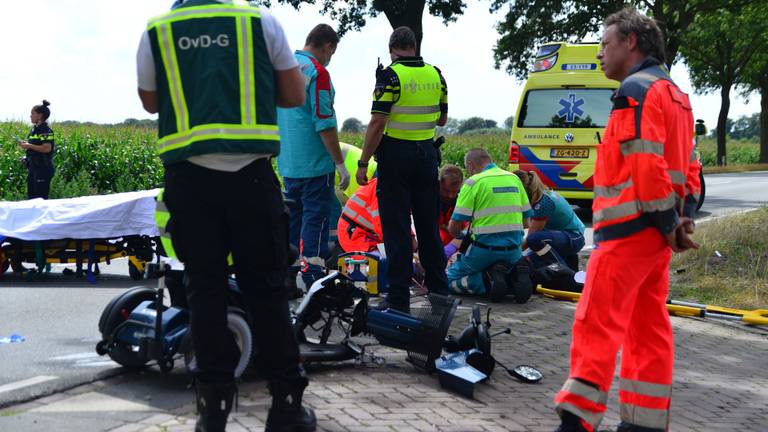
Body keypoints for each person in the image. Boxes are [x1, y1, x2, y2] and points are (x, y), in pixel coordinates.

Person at [136, 1, 316, 431]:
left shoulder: (157, 30)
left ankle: (212, 409)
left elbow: (149, 101)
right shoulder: (259, 21)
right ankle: (286, 404)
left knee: (205, 292)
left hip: (190, 181)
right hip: (251, 178)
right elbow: (293, 94)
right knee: (267, 291)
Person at [553, 8, 701, 432]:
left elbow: (643, 160)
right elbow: (691, 164)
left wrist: (664, 219)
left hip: (627, 234)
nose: (600, 53)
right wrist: (680, 221)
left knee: (595, 323)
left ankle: (576, 420)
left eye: (605, 43)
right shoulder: (677, 95)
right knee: (648, 329)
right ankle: (643, 424)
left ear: (630, 43)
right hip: (656, 240)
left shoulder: (634, 90)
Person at [355, 26, 449, 314]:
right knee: (429, 229)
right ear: (414, 46)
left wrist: (363, 162)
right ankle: (440, 294)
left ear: (392, 49)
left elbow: (377, 123)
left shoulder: (390, 76)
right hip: (426, 158)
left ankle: (398, 299)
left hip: (396, 160)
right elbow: (443, 119)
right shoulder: (436, 74)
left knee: (396, 230)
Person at [278, 24, 349, 288]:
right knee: (315, 223)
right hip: (315, 165)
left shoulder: (284, 69)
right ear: (328, 46)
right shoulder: (318, 73)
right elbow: (324, 122)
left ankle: (289, 277)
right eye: (332, 52)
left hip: (288, 164)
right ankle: (311, 279)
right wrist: (340, 163)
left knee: (293, 222)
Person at [445, 148, 533, 302]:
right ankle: (512, 277)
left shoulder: (473, 182)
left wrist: (460, 237)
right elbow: (526, 223)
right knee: (503, 265)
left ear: (471, 165)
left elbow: (455, 227)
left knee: (444, 281)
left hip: (483, 250)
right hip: (514, 250)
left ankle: (485, 282)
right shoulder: (514, 179)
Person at [514, 170, 585, 271]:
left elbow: (531, 236)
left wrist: (510, 255)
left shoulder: (543, 203)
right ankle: (567, 266)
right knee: (530, 256)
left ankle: (563, 270)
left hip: (574, 238)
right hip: (566, 236)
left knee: (534, 240)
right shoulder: (543, 194)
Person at [17, 100, 55, 199]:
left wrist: (29, 146)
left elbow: (47, 148)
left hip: (43, 169)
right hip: (33, 168)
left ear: (40, 115)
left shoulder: (45, 130)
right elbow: (35, 147)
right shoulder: (34, 129)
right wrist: (26, 156)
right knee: (31, 198)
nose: (30, 116)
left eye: (32, 113)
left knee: (40, 200)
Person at [438, 164, 463, 259]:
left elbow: (468, 228)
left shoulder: (462, 201)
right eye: (446, 190)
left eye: (454, 192)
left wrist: (453, 246)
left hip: (454, 249)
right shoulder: (428, 199)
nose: (450, 196)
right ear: (439, 183)